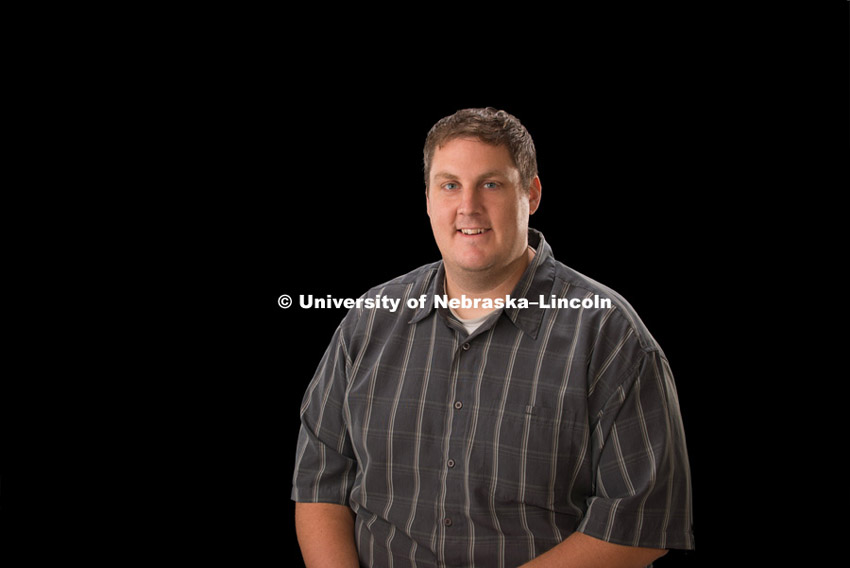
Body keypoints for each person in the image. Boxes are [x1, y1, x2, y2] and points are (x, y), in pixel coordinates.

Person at [292, 107, 694, 567]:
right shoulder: (368, 322)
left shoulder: (610, 336)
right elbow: (321, 483)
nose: (468, 207)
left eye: (491, 184)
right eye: (449, 185)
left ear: (532, 193)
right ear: (427, 197)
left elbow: (639, 525)